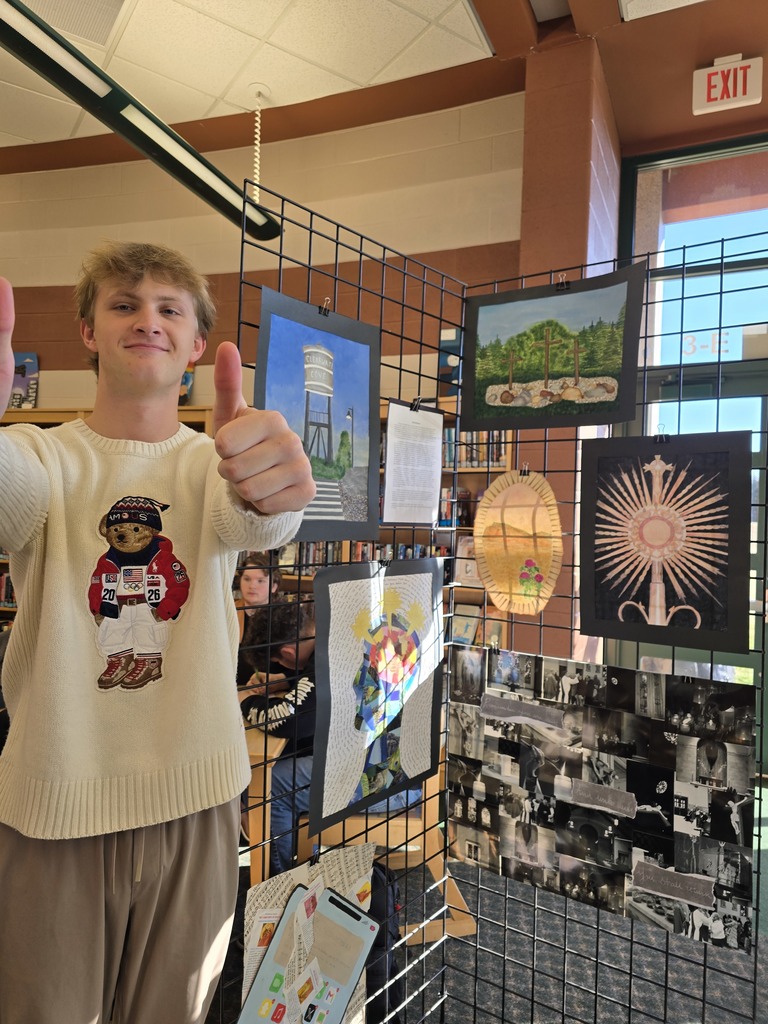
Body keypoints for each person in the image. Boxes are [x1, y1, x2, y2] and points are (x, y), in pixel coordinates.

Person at [0, 241, 315, 1024]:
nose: (148, 320)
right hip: (57, 808)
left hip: (198, 801)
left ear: (197, 344)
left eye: (169, 308)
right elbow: (9, 495)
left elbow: (254, 519)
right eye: (124, 304)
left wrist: (276, 488)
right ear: (88, 331)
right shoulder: (41, 455)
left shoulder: (216, 466)